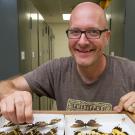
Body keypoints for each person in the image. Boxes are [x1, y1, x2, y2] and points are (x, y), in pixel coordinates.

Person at [0, 2, 135, 124]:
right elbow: (7, 85)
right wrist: (9, 95)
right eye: (75, 32)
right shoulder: (55, 70)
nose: (82, 42)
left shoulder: (129, 70)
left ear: (106, 37)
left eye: (93, 32)